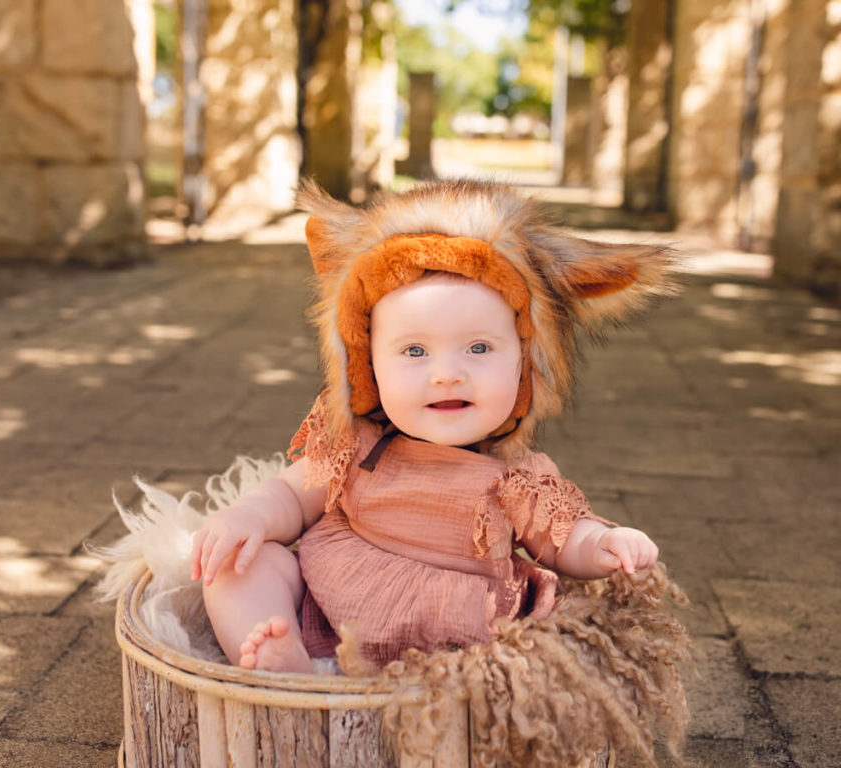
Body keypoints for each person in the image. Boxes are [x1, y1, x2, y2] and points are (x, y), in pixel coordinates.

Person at [190, 180, 673, 674]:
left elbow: (565, 539)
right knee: (239, 569)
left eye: (479, 348)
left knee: (529, 660)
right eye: (414, 351)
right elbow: (292, 497)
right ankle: (285, 661)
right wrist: (249, 515)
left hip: (457, 645)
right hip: (330, 618)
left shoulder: (518, 478)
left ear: (524, 366)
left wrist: (603, 546)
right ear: (368, 367)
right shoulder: (358, 447)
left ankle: (407, 688)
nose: (446, 373)